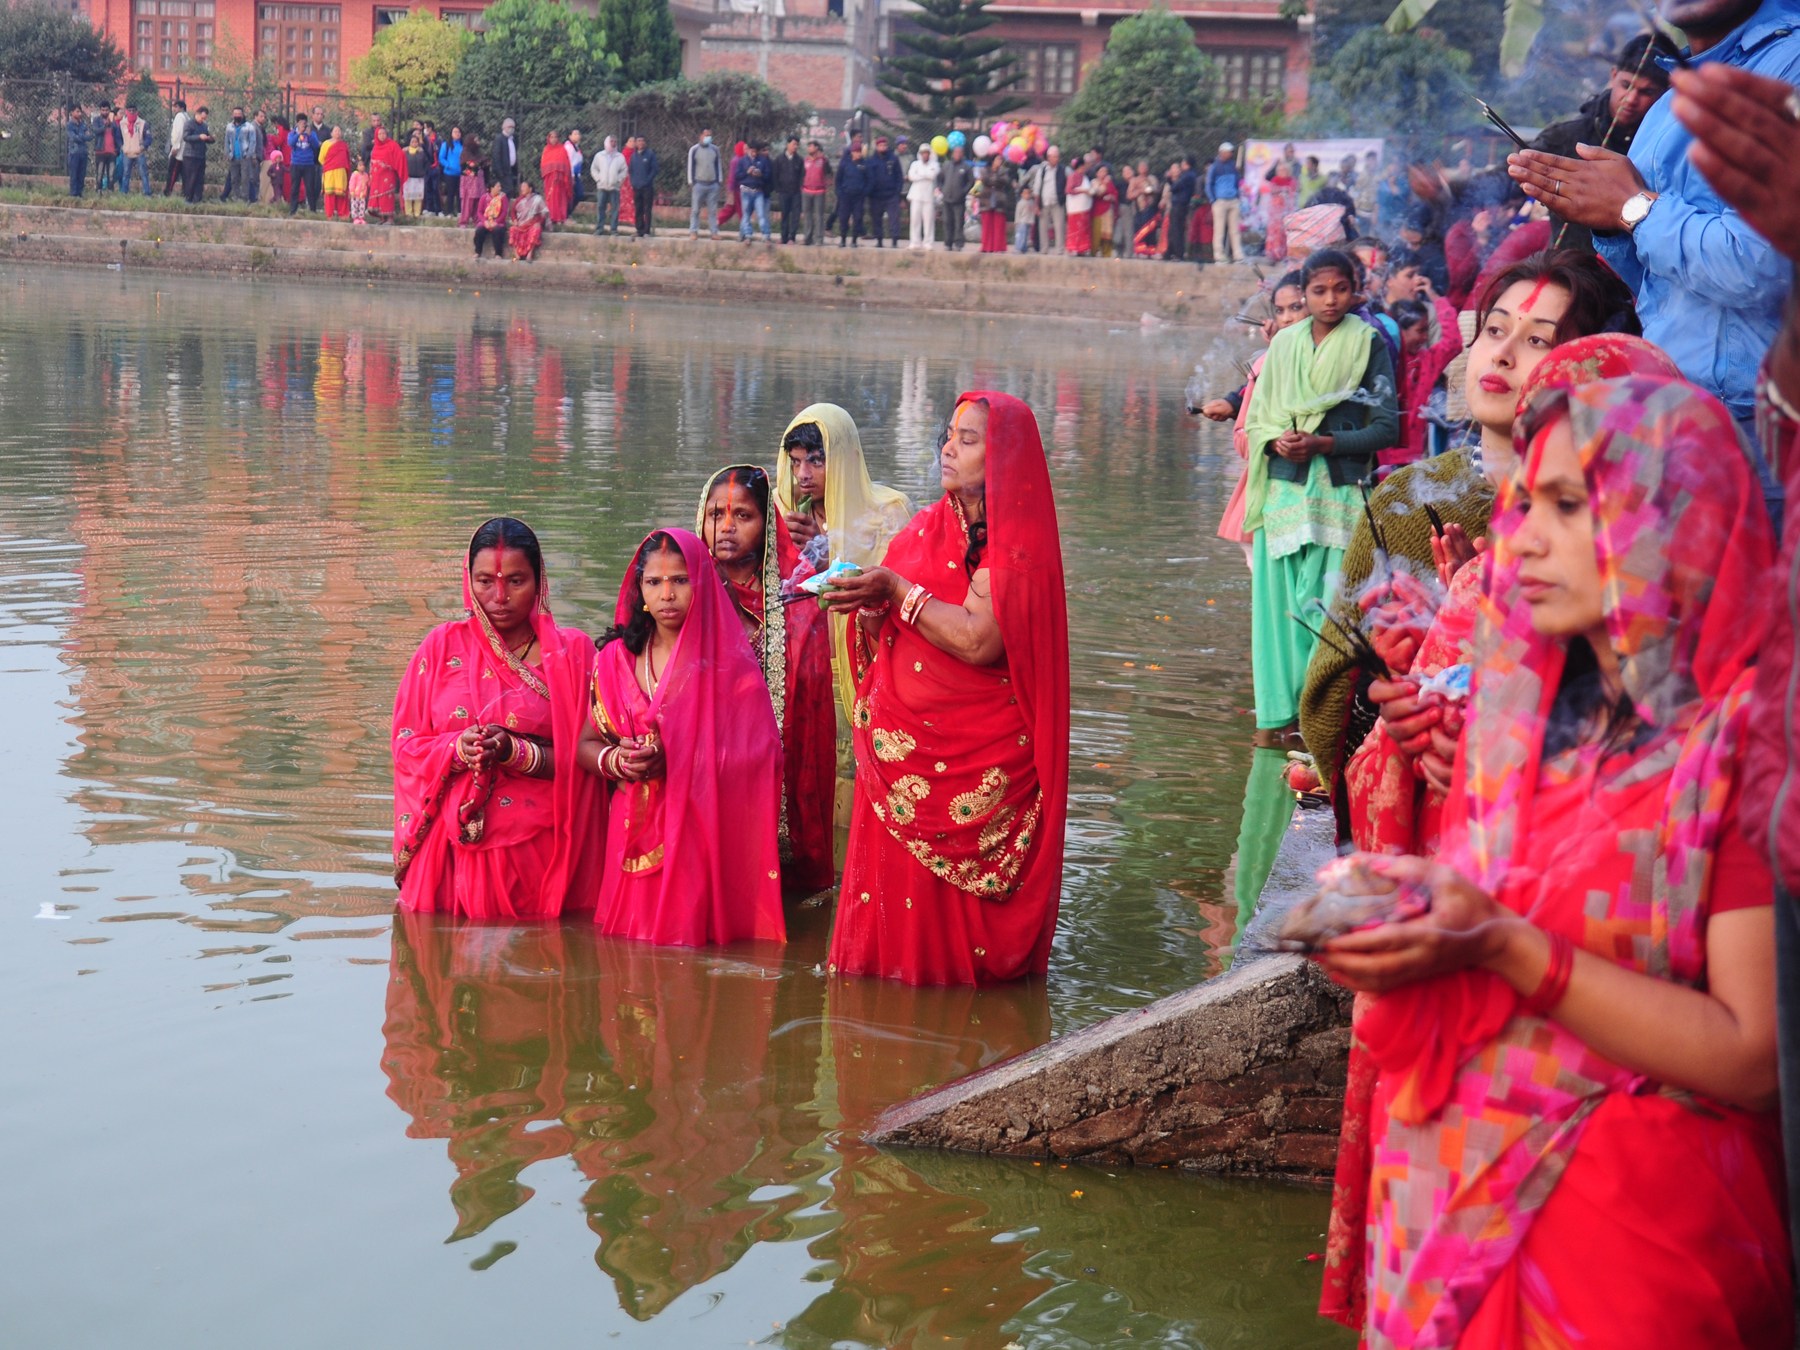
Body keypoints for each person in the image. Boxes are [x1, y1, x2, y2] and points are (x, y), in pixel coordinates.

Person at [1316, 374, 1790, 1347]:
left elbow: (1752, 1059)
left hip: (1625, 1252)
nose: (1522, 538)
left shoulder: (1745, 752)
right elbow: (1481, 894)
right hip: (1448, 1212)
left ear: (1673, 520)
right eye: (1526, 504)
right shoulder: (1523, 721)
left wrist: (1506, 947)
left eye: (1569, 507)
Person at [1298, 250, 1646, 833]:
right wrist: (1407, 666)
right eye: (1494, 330)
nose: (1504, 354)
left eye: (1539, 341)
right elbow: (1328, 708)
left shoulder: (1616, 513)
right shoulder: (1407, 500)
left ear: (1591, 365)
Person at [820, 393, 1071, 985]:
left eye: (969, 438)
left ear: (1004, 455)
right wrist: (870, 603)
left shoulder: (1017, 540)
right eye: (948, 434)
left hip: (977, 760)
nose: (948, 448)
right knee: (884, 949)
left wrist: (895, 591)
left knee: (951, 954)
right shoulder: (925, 528)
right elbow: (888, 621)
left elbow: (979, 641)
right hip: (899, 749)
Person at [1508, 0, 1800, 490]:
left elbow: (1765, 265)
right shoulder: (1669, 103)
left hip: (1765, 441)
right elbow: (1654, 283)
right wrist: (1602, 215)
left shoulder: (1788, 68)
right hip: (1674, 421)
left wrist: (1634, 208)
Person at [576, 529, 786, 947]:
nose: (667, 594)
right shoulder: (614, 659)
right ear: (640, 591)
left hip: (699, 829)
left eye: (680, 580)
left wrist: (679, 757)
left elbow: (763, 758)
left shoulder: (729, 669)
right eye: (654, 582)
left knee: (688, 950)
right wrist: (619, 761)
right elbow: (585, 745)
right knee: (625, 963)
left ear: (702, 584)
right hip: (631, 827)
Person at [391, 517, 605, 920]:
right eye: (485, 581)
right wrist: (457, 747)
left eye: (516, 581)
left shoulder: (574, 656)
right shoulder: (440, 648)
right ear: (468, 580)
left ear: (539, 582)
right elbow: (406, 747)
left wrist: (514, 752)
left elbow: (592, 759)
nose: (499, 596)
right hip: (450, 851)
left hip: (543, 849)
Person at [1242, 247, 1399, 740]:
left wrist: (1323, 443)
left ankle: (1319, 722)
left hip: (1340, 495)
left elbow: (1386, 428)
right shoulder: (1283, 346)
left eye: (1340, 289)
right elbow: (1259, 417)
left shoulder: (1368, 342)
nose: (1331, 300)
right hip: (1284, 494)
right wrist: (1278, 440)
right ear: (1302, 295)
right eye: (1319, 291)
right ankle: (1277, 719)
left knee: (1327, 614)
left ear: (1356, 290)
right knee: (1277, 615)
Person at [696, 466, 836, 893]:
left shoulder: (797, 599)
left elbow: (813, 697)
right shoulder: (677, 591)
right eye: (716, 514)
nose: (726, 528)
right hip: (710, 763)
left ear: (768, 526)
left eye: (743, 516)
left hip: (779, 765)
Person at [774, 404, 915, 725]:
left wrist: (826, 558)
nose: (803, 475)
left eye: (816, 461)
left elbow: (896, 599)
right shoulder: (782, 511)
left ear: (846, 459)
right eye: (795, 462)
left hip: (867, 667)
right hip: (798, 669)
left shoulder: (887, 513)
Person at [1527, 32, 1679, 253]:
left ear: (1665, 93)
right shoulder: (1567, 136)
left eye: (1646, 91)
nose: (1631, 99)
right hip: (1566, 269)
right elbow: (1510, 174)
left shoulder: (1669, 149)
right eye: (1626, 85)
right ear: (1614, 75)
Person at [1201, 272, 1309, 568]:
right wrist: (1272, 441)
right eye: (1280, 310)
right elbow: (1242, 437)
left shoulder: (1336, 357)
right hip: (1269, 493)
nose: (1287, 318)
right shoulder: (1264, 365)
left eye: (1296, 308)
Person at [1208, 142, 1244, 263]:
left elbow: (1237, 182)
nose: (1231, 153)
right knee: (1219, 229)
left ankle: (1237, 253)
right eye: (1229, 151)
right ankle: (1218, 254)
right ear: (1222, 152)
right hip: (1220, 201)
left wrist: (1238, 195)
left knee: (1235, 230)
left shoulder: (1233, 166)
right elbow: (1209, 184)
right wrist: (1213, 199)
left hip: (1233, 200)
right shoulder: (1215, 167)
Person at [1029, 146, 1068, 254]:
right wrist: (1036, 205)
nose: (1056, 159)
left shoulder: (1063, 169)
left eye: (1057, 157)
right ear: (1049, 157)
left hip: (1057, 201)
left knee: (1059, 226)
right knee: (1043, 227)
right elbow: (1037, 188)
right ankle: (1044, 249)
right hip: (1044, 202)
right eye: (1054, 157)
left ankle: (1060, 249)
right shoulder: (1042, 171)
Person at [867, 134, 903, 248]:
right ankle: (879, 240)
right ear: (877, 147)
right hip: (876, 195)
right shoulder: (871, 160)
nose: (883, 147)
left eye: (884, 145)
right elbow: (868, 176)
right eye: (880, 145)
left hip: (891, 194)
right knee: (876, 218)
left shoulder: (893, 158)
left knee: (894, 218)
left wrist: (897, 191)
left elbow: (899, 176)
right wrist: (869, 191)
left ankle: (894, 240)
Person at [687, 127, 723, 238]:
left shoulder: (715, 149)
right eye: (706, 135)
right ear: (701, 136)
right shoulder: (694, 149)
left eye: (710, 135)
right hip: (699, 184)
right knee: (695, 210)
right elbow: (690, 166)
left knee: (712, 210)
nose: (708, 137)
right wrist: (691, 181)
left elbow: (718, 165)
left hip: (713, 184)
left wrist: (719, 180)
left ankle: (714, 232)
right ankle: (693, 231)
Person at [368, 127, 407, 224]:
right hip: (376, 178)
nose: (382, 136)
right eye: (380, 134)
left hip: (388, 176)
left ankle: (390, 218)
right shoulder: (375, 147)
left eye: (384, 133)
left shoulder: (392, 145)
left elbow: (400, 157)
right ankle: (382, 218)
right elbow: (372, 163)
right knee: (377, 198)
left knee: (387, 197)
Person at [977, 153, 1014, 254]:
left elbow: (1005, 181)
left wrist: (993, 179)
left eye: (1000, 160)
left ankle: (998, 247)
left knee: (999, 225)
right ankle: (986, 246)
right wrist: (994, 180)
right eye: (997, 159)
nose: (999, 162)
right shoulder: (984, 169)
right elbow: (984, 180)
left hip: (999, 200)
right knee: (987, 225)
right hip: (986, 199)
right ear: (992, 160)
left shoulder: (1003, 171)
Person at [836, 141, 870, 247]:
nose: (858, 154)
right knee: (844, 218)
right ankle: (843, 239)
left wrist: (864, 192)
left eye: (859, 152)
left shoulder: (864, 164)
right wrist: (840, 192)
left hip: (858, 197)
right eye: (856, 152)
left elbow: (869, 180)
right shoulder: (844, 163)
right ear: (852, 152)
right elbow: (838, 179)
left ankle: (854, 240)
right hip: (846, 196)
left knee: (858, 218)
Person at [939, 143, 973, 251]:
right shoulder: (946, 165)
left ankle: (958, 243)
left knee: (958, 222)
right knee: (947, 221)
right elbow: (939, 179)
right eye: (956, 152)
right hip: (947, 198)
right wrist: (942, 189)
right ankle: (948, 243)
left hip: (959, 199)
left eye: (960, 153)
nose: (957, 154)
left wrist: (963, 191)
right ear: (953, 154)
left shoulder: (966, 167)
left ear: (962, 154)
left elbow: (971, 181)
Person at [738, 140, 772, 244]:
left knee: (761, 214)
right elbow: (737, 176)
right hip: (746, 191)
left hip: (758, 191)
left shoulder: (763, 161)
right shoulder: (742, 161)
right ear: (748, 150)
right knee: (746, 214)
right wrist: (746, 173)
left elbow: (767, 176)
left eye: (755, 152)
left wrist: (760, 174)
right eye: (752, 151)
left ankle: (766, 235)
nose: (754, 154)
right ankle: (748, 235)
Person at [772, 136, 805, 244]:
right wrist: (778, 188)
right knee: (784, 214)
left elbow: (802, 176)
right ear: (788, 144)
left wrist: (800, 188)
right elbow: (775, 175)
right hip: (783, 192)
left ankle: (792, 237)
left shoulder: (799, 160)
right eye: (793, 144)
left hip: (796, 192)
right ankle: (784, 236)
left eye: (797, 145)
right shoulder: (779, 159)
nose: (795, 147)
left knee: (795, 215)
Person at [906, 144, 939, 250]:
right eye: (923, 153)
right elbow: (911, 176)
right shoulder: (915, 164)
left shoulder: (935, 164)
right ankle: (915, 242)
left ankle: (928, 242)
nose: (925, 155)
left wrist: (920, 174)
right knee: (915, 219)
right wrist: (925, 174)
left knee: (928, 221)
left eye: (927, 153)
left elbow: (932, 175)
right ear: (920, 154)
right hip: (916, 196)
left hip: (928, 196)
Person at [287, 115, 322, 214]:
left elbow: (316, 146)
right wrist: (299, 133)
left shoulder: (311, 134)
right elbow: (290, 143)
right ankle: (293, 209)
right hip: (296, 163)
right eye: (301, 123)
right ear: (297, 123)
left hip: (309, 164)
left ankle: (312, 209)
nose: (304, 125)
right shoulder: (292, 133)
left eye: (305, 123)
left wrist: (309, 135)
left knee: (310, 188)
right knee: (295, 188)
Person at [221, 106, 257, 203]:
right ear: (233, 115)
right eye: (235, 114)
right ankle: (236, 197)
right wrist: (227, 153)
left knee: (245, 179)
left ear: (243, 115)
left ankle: (245, 199)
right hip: (233, 157)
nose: (237, 115)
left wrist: (249, 154)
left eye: (239, 114)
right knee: (234, 179)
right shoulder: (229, 126)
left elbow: (253, 142)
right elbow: (226, 141)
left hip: (244, 156)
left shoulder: (249, 127)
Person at [1166, 156, 1198, 262]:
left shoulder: (1187, 176)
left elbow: (1174, 187)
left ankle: (1178, 253)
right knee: (1174, 229)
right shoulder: (1191, 175)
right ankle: (1170, 252)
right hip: (1181, 203)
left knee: (1177, 229)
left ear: (1187, 164)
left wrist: (1170, 179)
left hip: (1179, 204)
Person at [539, 130, 572, 227]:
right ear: (548, 138)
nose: (553, 139)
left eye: (555, 137)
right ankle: (551, 217)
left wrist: (559, 172)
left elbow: (566, 164)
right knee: (551, 197)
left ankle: (560, 217)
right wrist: (552, 170)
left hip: (560, 179)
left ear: (558, 138)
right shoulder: (546, 150)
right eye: (551, 137)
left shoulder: (562, 149)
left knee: (560, 197)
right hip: (549, 179)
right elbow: (543, 164)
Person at [181, 106, 213, 203]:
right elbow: (186, 137)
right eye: (202, 118)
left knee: (200, 178)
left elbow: (206, 137)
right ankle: (188, 199)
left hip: (201, 155)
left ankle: (197, 199)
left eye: (205, 118)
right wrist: (199, 137)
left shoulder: (204, 126)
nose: (203, 120)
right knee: (190, 178)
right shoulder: (189, 124)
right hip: (190, 156)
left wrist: (210, 139)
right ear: (197, 114)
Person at [510, 181, 549, 262]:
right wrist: (514, 220)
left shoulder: (538, 199)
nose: (522, 189)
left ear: (530, 189)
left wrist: (539, 222)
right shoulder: (519, 200)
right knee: (512, 229)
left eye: (524, 187)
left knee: (536, 229)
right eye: (521, 187)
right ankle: (516, 254)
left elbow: (544, 212)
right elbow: (513, 212)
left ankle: (529, 254)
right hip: (520, 224)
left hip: (532, 224)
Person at [801, 140, 830, 246]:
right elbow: (802, 174)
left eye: (811, 146)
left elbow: (828, 173)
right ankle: (808, 238)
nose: (809, 149)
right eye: (808, 147)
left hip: (819, 191)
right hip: (806, 191)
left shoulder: (823, 161)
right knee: (807, 216)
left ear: (817, 148)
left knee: (819, 216)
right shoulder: (805, 160)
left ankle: (819, 239)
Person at [629, 136, 658, 238]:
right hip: (636, 187)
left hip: (647, 187)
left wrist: (647, 181)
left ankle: (646, 231)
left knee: (647, 209)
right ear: (636, 143)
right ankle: (639, 230)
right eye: (638, 141)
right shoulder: (634, 156)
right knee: (638, 209)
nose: (640, 143)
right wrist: (633, 182)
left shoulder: (650, 154)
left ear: (645, 143)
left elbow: (654, 170)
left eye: (642, 141)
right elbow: (631, 170)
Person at [320, 126, 351, 220]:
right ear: (331, 133)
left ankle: (343, 215)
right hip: (329, 172)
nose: (337, 132)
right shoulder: (326, 144)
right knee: (329, 193)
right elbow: (321, 158)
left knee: (341, 193)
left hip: (341, 172)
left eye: (339, 130)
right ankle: (329, 214)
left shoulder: (344, 145)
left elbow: (347, 158)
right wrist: (330, 164)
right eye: (335, 131)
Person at [118, 104, 150, 195]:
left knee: (143, 173)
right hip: (127, 153)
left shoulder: (143, 123)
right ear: (126, 112)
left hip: (139, 152)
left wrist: (143, 146)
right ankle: (124, 193)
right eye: (130, 110)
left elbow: (148, 138)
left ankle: (147, 193)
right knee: (126, 174)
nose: (132, 112)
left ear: (137, 112)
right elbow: (118, 137)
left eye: (133, 110)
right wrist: (122, 147)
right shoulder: (122, 123)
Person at [473, 179, 509, 258]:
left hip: (498, 222)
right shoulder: (484, 197)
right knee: (479, 230)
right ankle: (477, 252)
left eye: (500, 186)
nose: (500, 188)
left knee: (497, 230)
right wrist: (485, 221)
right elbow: (479, 212)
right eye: (498, 186)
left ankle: (498, 254)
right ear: (492, 188)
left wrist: (496, 222)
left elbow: (504, 212)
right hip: (486, 221)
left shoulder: (503, 197)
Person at [1064, 158, 1093, 256]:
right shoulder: (1072, 176)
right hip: (1075, 209)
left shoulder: (1085, 177)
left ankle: (1082, 249)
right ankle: (1073, 248)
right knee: (1075, 229)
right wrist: (1083, 191)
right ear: (1080, 167)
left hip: (1084, 208)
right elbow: (1069, 190)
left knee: (1084, 229)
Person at [437, 127, 465, 219]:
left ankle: (460, 212)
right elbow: (441, 158)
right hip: (449, 173)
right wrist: (448, 165)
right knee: (450, 193)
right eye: (455, 132)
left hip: (461, 173)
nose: (457, 133)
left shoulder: (463, 145)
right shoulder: (446, 145)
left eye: (459, 132)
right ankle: (449, 211)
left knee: (460, 194)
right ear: (451, 133)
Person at [457, 141, 486, 227]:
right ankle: (463, 221)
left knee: (478, 201)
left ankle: (477, 220)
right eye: (475, 140)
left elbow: (484, 163)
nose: (477, 142)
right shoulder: (465, 153)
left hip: (479, 181)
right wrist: (478, 164)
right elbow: (468, 166)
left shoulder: (479, 153)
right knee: (468, 202)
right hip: (468, 181)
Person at [164, 99, 188, 197]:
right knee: (184, 173)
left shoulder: (179, 116)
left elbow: (179, 133)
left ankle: (167, 192)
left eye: (176, 107)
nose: (174, 109)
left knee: (173, 172)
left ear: (181, 108)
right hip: (184, 150)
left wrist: (176, 147)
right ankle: (185, 193)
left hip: (178, 151)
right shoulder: (187, 116)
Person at [64, 106, 89, 198]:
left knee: (81, 174)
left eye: (80, 112)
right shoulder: (69, 125)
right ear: (72, 113)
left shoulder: (83, 124)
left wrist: (81, 136)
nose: (79, 113)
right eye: (77, 111)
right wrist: (82, 136)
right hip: (74, 152)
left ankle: (80, 193)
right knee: (74, 174)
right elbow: (73, 137)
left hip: (83, 152)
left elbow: (89, 136)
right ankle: (73, 194)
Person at [493, 117, 520, 196]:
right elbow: (496, 156)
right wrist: (499, 172)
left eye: (513, 127)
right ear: (504, 127)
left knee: (511, 189)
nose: (511, 129)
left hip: (511, 169)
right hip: (503, 171)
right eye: (509, 127)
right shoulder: (499, 139)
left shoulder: (513, 139)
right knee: (507, 189)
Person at [349, 156, 369, 226]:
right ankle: (355, 218)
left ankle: (361, 218)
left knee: (362, 207)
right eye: (360, 165)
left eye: (363, 165)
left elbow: (368, 183)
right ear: (357, 167)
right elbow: (352, 183)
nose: (362, 167)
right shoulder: (355, 174)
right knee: (355, 206)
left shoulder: (366, 175)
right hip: (355, 194)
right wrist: (352, 191)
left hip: (362, 195)